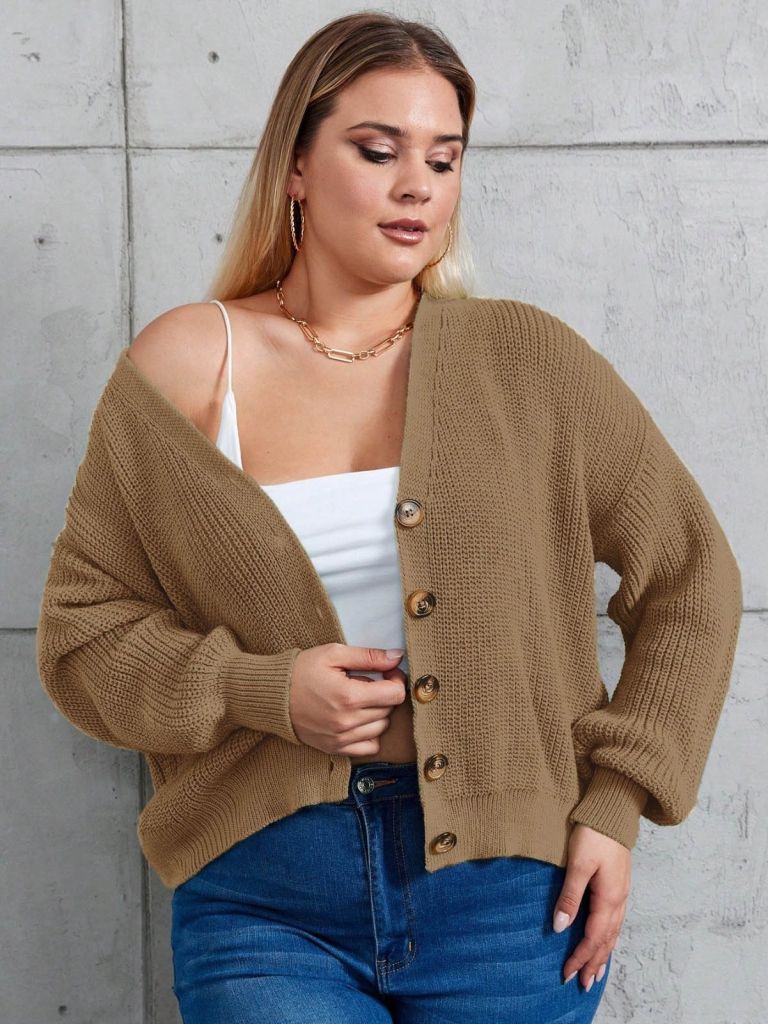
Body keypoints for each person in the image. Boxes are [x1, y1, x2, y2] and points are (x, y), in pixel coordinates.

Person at [35, 12, 742, 1024]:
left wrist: (618, 802)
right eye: (378, 151)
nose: (419, 186)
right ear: (296, 166)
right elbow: (82, 637)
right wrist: (260, 689)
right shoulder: (190, 364)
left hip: (511, 900)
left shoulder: (529, 363)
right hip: (265, 898)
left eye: (443, 160)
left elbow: (692, 577)